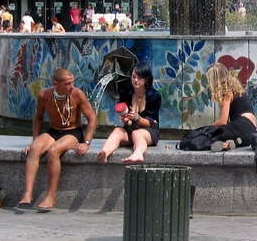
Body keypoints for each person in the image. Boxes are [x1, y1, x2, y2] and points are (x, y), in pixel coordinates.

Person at [19, 68, 97, 209]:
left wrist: (86, 142)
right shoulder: (44, 95)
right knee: (35, 148)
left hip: (73, 132)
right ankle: (28, 191)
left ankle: (51, 195)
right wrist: (34, 140)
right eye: (67, 84)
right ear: (56, 84)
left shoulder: (77, 94)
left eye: (72, 82)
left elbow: (92, 119)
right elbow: (38, 118)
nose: (71, 86)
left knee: (53, 150)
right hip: (53, 131)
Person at [97, 62, 161, 164]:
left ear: (146, 79)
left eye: (139, 78)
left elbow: (152, 122)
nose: (135, 80)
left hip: (149, 131)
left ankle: (138, 153)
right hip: (131, 129)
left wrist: (137, 118)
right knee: (117, 130)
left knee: (137, 134)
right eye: (134, 77)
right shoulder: (126, 93)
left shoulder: (154, 95)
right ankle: (104, 153)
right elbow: (128, 122)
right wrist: (127, 121)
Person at [201, 63, 257, 151]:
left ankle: (224, 142)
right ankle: (230, 143)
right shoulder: (234, 88)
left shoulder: (226, 92)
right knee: (220, 133)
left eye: (209, 79)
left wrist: (207, 128)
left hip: (241, 126)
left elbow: (223, 121)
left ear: (214, 79)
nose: (208, 82)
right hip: (250, 131)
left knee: (208, 134)